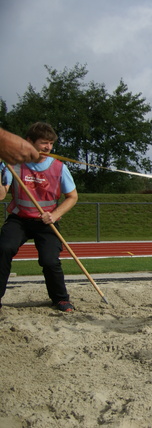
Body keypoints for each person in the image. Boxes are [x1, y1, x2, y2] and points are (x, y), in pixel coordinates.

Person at [0, 122, 78, 312]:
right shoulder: (14, 164)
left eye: (50, 144)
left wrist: (55, 214)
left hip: (46, 222)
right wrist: (2, 171)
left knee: (50, 260)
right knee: (3, 248)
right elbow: (1, 195)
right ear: (29, 142)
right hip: (20, 219)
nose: (48, 148)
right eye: (44, 143)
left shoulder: (59, 168)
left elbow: (72, 197)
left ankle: (60, 299)